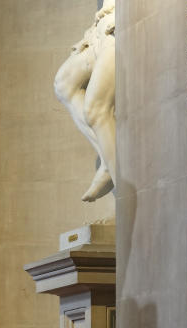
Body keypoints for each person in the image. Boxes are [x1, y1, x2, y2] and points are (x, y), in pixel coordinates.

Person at [53, 0, 116, 203]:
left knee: (95, 109)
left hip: (121, 24)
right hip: (101, 27)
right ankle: (107, 158)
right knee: (63, 82)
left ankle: (126, 191)